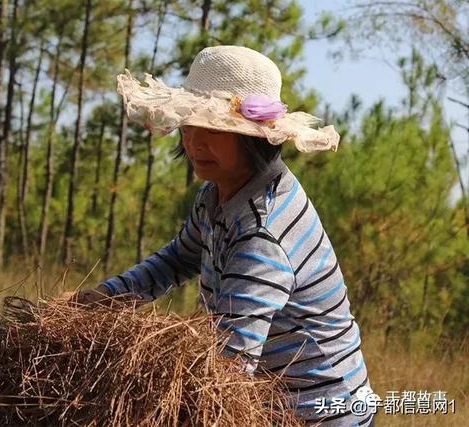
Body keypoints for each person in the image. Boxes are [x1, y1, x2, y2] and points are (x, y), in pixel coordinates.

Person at [73, 46, 375, 426]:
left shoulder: (262, 234)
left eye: (214, 129)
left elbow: (227, 370)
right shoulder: (216, 194)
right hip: (273, 398)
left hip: (320, 410)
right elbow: (178, 259)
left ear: (256, 138)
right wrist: (106, 297)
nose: (194, 142)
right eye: (188, 123)